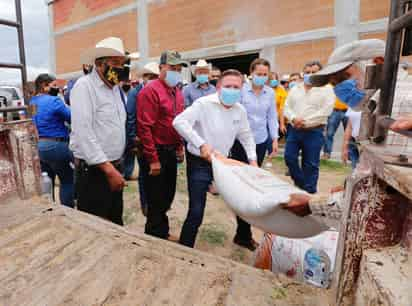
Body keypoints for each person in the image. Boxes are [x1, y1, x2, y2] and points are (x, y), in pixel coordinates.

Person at [173, 69, 258, 248]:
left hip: (222, 164)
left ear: (242, 89)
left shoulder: (239, 110)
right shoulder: (203, 104)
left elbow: (246, 136)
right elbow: (179, 122)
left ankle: (243, 236)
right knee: (196, 211)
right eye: (228, 86)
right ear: (218, 87)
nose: (232, 90)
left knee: (240, 201)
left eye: (236, 87)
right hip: (199, 163)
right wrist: (201, 144)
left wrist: (253, 160)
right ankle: (184, 248)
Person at [70, 37, 128, 225]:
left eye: (122, 63)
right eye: (115, 63)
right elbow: (84, 133)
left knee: (115, 221)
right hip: (95, 172)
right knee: (95, 226)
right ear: (99, 64)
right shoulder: (84, 87)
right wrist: (109, 170)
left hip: (114, 167)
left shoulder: (115, 90)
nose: (120, 68)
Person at [137, 50, 187, 240]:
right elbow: (145, 128)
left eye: (178, 68)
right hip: (155, 151)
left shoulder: (177, 93)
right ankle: (154, 235)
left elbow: (178, 122)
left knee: (168, 194)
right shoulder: (150, 91)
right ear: (161, 68)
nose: (175, 71)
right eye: (171, 68)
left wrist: (180, 147)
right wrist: (153, 160)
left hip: (170, 150)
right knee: (156, 197)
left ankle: (160, 231)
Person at [230, 58, 278, 250]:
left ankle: (242, 233)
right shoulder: (241, 91)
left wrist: (274, 139)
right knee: (244, 187)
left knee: (252, 186)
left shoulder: (270, 93)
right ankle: (243, 233)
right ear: (251, 73)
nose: (262, 77)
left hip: (260, 142)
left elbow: (272, 116)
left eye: (265, 74)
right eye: (258, 74)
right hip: (241, 143)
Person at [283, 61, 335, 194]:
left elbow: (326, 110)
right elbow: (287, 107)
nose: (310, 75)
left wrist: (304, 121)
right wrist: (294, 118)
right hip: (294, 130)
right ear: (303, 73)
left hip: (314, 131)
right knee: (289, 158)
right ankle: (302, 186)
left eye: (314, 72)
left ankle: (310, 192)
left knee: (311, 164)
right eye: (307, 72)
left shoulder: (327, 89)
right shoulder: (295, 88)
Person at [30, 73, 73, 207]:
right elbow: (71, 117)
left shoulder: (32, 103)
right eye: (54, 86)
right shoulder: (54, 101)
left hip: (39, 147)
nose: (58, 89)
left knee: (48, 181)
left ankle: (49, 210)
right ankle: (68, 211)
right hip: (57, 145)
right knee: (67, 180)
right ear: (44, 86)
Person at [125, 62, 160, 216]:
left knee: (157, 174)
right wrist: (134, 139)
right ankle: (145, 204)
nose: (152, 79)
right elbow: (131, 118)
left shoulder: (160, 91)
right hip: (141, 140)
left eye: (155, 77)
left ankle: (155, 203)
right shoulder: (135, 93)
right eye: (149, 76)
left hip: (157, 140)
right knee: (144, 173)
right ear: (144, 77)